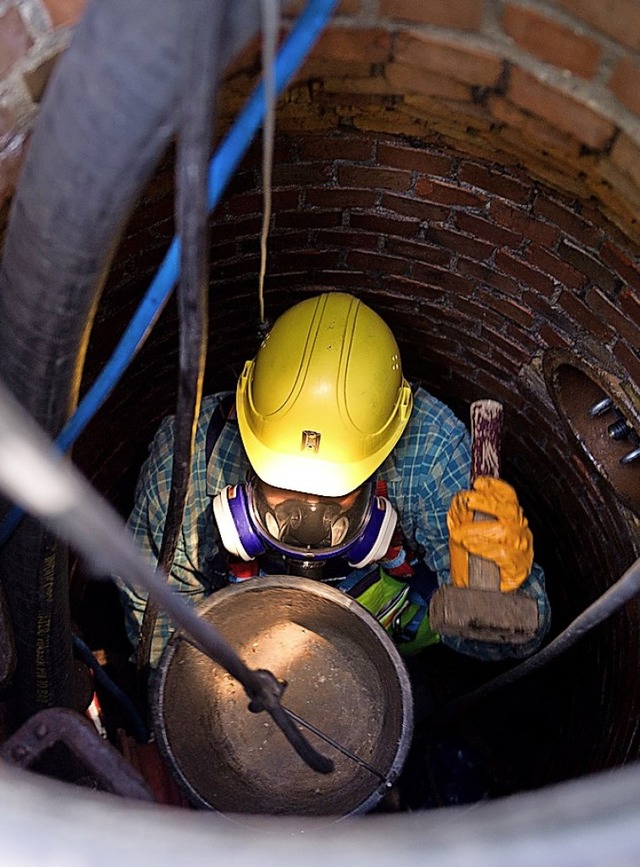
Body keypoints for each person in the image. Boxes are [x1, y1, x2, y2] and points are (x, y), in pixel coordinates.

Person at [118, 291, 550, 669]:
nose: (306, 515)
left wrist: (500, 594)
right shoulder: (189, 463)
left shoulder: (430, 454)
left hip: (384, 647)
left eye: (335, 491)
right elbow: (158, 629)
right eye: (280, 481)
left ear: (383, 449)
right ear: (247, 433)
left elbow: (510, 645)